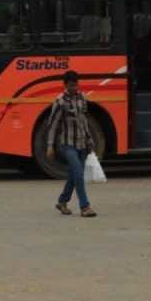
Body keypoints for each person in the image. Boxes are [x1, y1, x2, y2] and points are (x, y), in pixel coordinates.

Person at [45, 70, 97, 218]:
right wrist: (50, 146)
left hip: (82, 144)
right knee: (78, 174)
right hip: (67, 144)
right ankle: (85, 207)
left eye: (75, 85)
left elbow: (84, 121)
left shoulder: (82, 98)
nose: (74, 88)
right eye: (71, 85)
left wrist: (90, 140)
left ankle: (62, 201)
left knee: (74, 175)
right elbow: (53, 125)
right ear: (65, 85)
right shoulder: (60, 101)